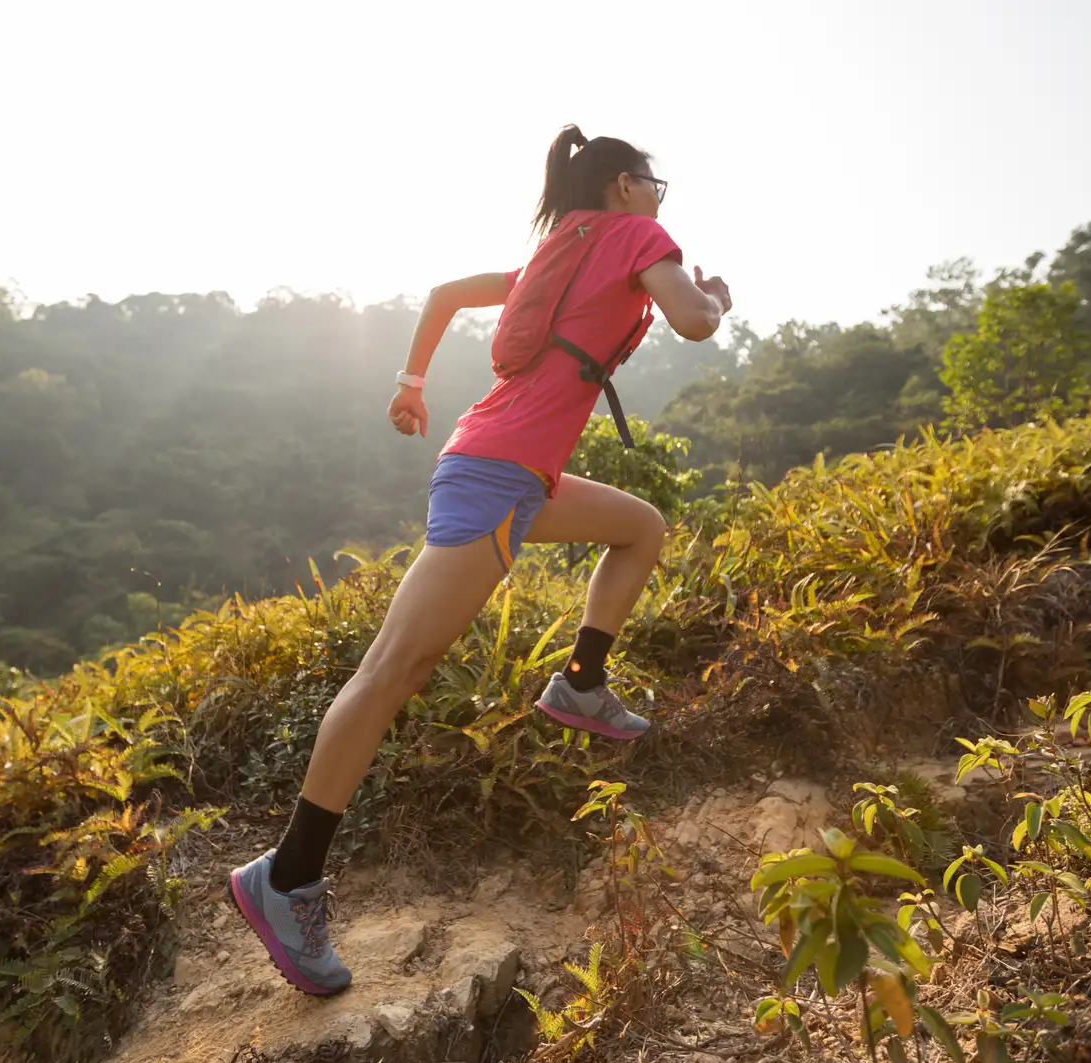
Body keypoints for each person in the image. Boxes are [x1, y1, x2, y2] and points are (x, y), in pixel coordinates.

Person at [229, 125, 732, 996]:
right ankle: (287, 877)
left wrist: (412, 383)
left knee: (639, 525)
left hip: (511, 470)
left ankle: (581, 680)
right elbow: (693, 321)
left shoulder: (555, 253)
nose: (661, 198)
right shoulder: (638, 236)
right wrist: (716, 295)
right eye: (656, 183)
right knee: (391, 671)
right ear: (622, 185)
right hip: (498, 477)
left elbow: (442, 293)